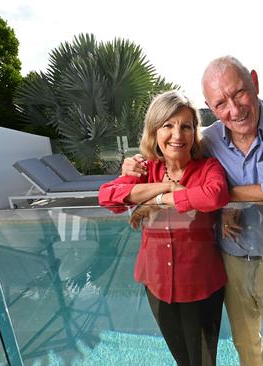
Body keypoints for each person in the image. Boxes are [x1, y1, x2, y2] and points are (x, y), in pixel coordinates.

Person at [122, 56, 263, 365]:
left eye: (239, 93)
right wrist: (134, 163)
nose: (234, 109)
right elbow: (175, 163)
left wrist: (223, 197)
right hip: (232, 262)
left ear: (254, 82)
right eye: (220, 103)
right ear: (209, 107)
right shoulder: (210, 139)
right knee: (245, 348)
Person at [98, 90, 230, 366]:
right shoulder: (145, 169)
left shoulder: (208, 167)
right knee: (182, 358)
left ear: (195, 131)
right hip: (157, 283)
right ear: (154, 131)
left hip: (200, 285)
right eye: (167, 126)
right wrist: (165, 188)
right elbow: (108, 198)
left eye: (186, 126)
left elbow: (213, 196)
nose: (177, 135)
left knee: (203, 361)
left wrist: (153, 199)